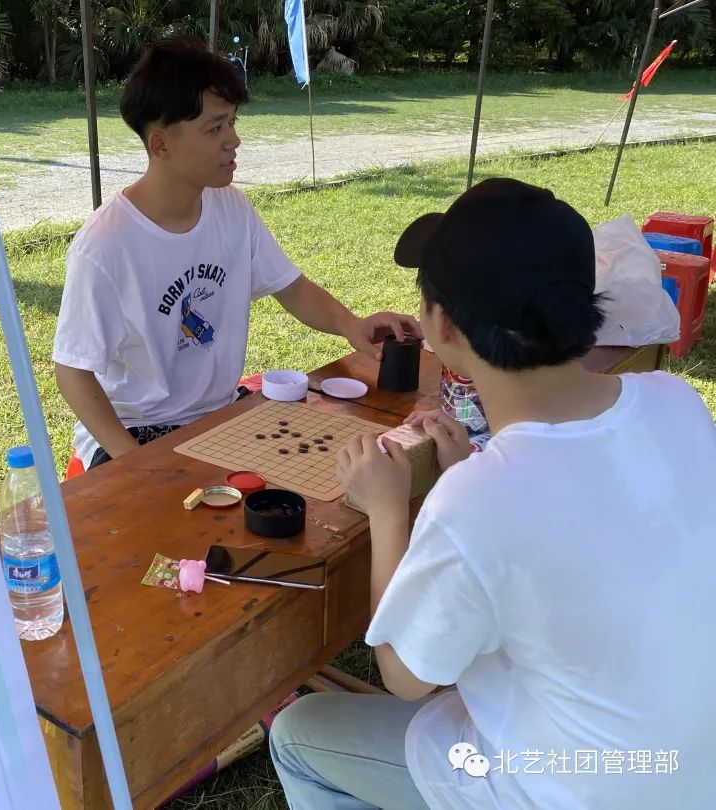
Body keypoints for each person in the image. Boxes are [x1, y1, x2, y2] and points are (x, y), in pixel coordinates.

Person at [269, 178, 716, 809]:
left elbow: (403, 675)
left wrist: (389, 509)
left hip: (569, 789)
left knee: (297, 734)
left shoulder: (481, 498)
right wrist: (470, 471)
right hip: (690, 771)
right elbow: (577, 517)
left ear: (442, 326)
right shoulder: (676, 401)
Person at [52, 35, 419, 470]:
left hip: (219, 415)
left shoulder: (231, 208)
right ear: (161, 145)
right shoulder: (106, 245)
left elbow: (291, 287)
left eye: (232, 122)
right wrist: (135, 464)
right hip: (138, 430)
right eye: (215, 128)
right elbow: (72, 370)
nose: (234, 140)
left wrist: (351, 324)